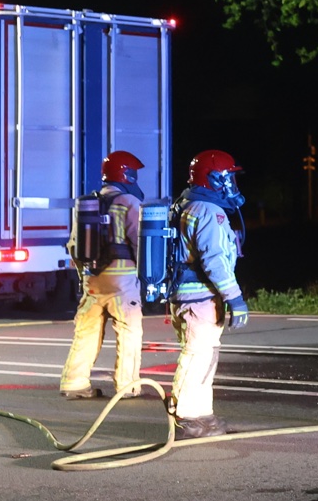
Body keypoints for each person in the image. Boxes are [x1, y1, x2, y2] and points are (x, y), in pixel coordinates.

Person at [168, 149, 249, 439]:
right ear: (213, 178)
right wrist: (235, 298)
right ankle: (189, 419)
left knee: (200, 356)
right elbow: (214, 260)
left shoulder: (186, 204)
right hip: (200, 297)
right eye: (228, 178)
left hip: (186, 296)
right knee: (198, 356)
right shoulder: (208, 211)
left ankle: (200, 416)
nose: (231, 185)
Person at [59, 151, 147, 401]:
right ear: (127, 174)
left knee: (86, 332)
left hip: (93, 280)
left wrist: (84, 278)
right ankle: (127, 386)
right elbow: (140, 243)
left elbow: (74, 246)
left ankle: (74, 383)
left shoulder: (88, 204)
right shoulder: (129, 203)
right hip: (122, 282)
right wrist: (147, 278)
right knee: (129, 332)